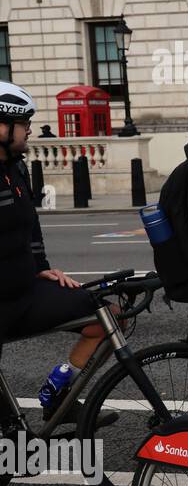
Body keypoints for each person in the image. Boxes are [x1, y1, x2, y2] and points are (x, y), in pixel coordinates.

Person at [0, 83, 112, 427]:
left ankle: (57, 393)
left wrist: (41, 269)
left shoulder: (16, 169)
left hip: (24, 293)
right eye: (24, 122)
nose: (30, 128)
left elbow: (30, 227)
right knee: (12, 446)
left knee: (108, 315)